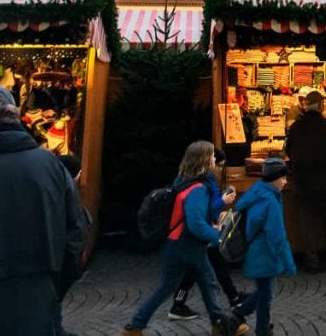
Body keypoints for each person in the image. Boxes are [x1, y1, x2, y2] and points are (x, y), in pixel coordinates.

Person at [121, 141, 247, 336]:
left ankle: (135, 326)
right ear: (204, 160)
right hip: (188, 244)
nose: (215, 159)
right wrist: (216, 234)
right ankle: (219, 323)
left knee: (186, 284)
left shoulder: (183, 181)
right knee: (205, 281)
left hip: (178, 242)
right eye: (212, 155)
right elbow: (195, 223)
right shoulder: (197, 188)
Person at [0, 83, 83, 336]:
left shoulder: (51, 166)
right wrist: (54, 285)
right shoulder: (51, 167)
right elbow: (75, 233)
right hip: (38, 291)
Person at [169, 148, 250, 320]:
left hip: (202, 231)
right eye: (218, 164)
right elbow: (203, 209)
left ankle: (232, 298)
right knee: (200, 270)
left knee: (211, 265)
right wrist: (223, 202)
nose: (219, 169)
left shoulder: (189, 178)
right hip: (202, 232)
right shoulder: (203, 182)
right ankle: (183, 305)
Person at [284, 90, 326, 273]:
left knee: (307, 224)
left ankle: (312, 261)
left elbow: (287, 151)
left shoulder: (296, 127)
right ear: (320, 106)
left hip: (302, 183)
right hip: (324, 182)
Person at [233, 158, 297, 335]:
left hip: (256, 250)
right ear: (274, 178)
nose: (285, 182)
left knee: (264, 290)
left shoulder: (257, 191)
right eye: (283, 178)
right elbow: (277, 236)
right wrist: (288, 263)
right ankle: (260, 329)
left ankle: (239, 314)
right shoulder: (270, 201)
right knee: (266, 294)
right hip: (264, 253)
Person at [55, 153, 92, 336]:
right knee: (53, 296)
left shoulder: (56, 189)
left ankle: (56, 327)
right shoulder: (67, 191)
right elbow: (75, 227)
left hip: (62, 254)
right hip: (64, 255)